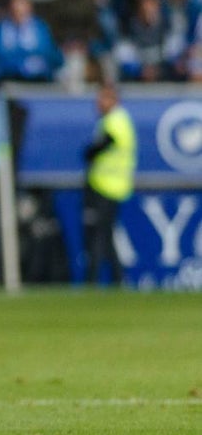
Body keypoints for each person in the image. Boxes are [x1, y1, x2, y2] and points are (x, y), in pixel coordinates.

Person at [82, 84, 137, 286]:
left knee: (99, 234)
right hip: (111, 185)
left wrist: (90, 152)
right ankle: (117, 278)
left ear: (114, 100)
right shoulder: (115, 120)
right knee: (105, 233)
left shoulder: (116, 121)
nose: (98, 104)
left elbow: (104, 143)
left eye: (103, 99)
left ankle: (93, 278)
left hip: (107, 186)